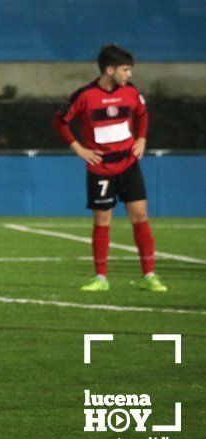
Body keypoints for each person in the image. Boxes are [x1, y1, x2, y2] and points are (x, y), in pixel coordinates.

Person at [53, 44, 166, 293]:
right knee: (102, 220)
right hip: (101, 169)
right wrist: (79, 149)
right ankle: (100, 278)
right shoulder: (84, 96)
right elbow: (60, 121)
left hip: (128, 165)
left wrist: (142, 139)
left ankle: (149, 275)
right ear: (110, 69)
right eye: (126, 70)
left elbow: (143, 114)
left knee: (140, 216)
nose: (129, 75)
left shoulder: (130, 92)